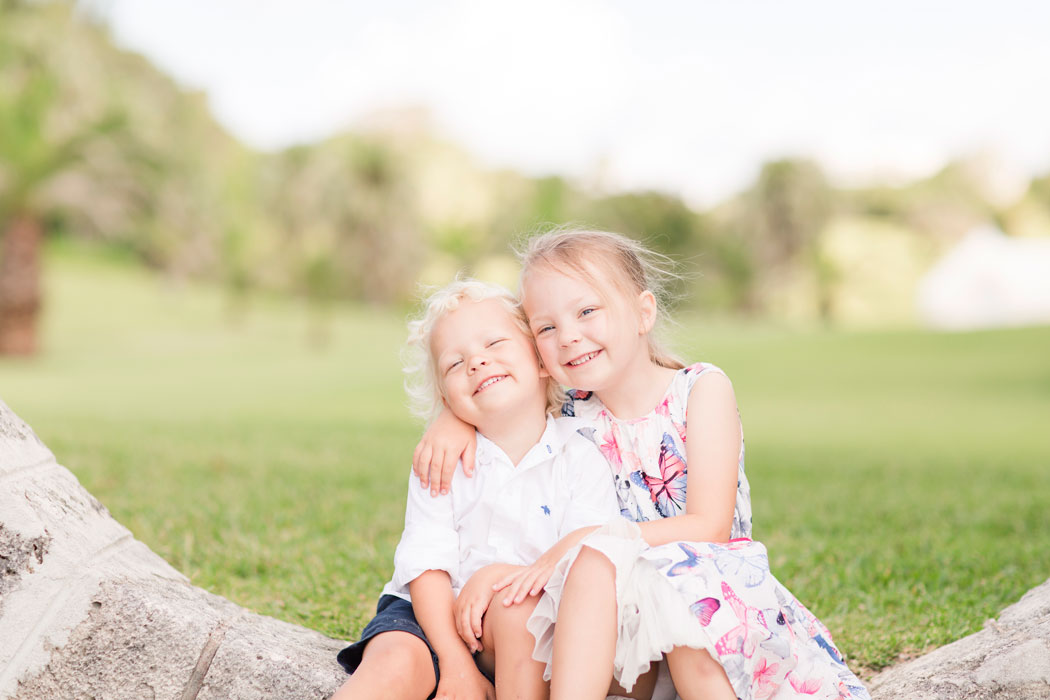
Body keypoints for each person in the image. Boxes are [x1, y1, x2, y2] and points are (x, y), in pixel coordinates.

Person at [413, 229, 871, 700]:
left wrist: (583, 544)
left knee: (614, 571)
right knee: (588, 572)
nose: (568, 336)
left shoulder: (699, 391)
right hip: (615, 616)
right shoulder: (573, 410)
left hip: (706, 592)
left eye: (587, 311)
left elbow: (710, 525)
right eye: (546, 327)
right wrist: (451, 419)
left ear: (643, 312)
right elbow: (501, 384)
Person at [331, 279, 621, 700]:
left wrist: (501, 578)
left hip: (523, 620)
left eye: (495, 344)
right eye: (455, 364)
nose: (477, 363)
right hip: (426, 616)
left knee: (519, 613)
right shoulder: (443, 459)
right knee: (394, 662)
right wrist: (454, 663)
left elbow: (587, 557)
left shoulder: (581, 456)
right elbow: (426, 568)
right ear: (447, 399)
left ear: (542, 362)